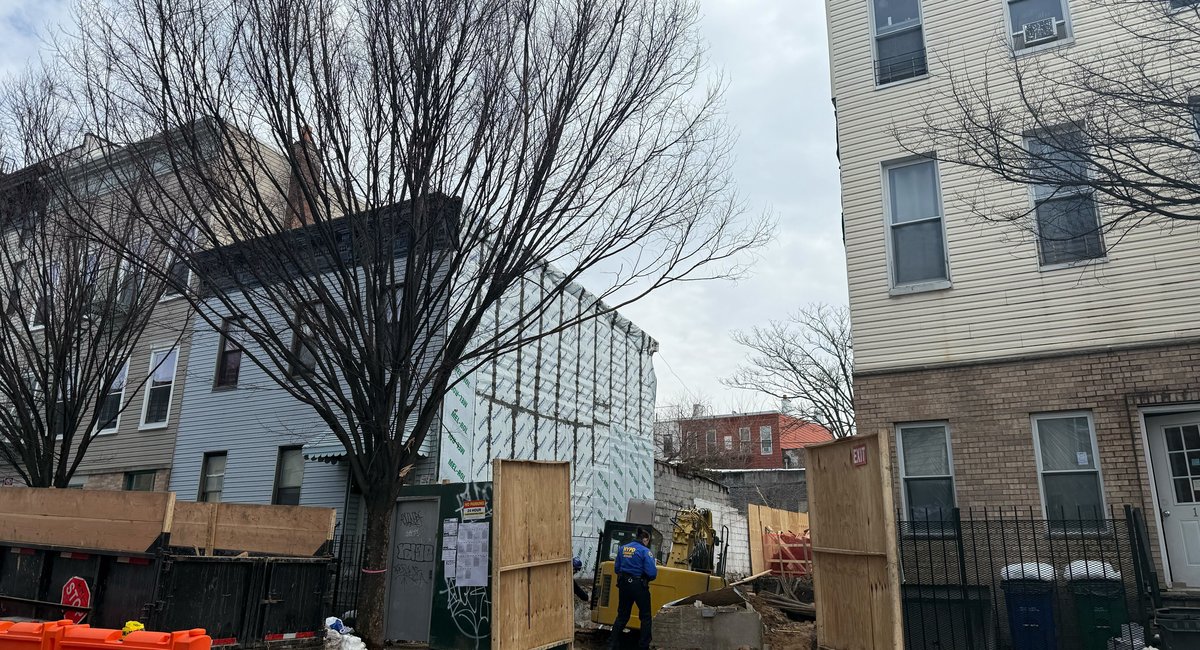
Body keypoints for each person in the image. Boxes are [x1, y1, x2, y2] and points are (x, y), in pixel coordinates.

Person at [609, 528, 657, 650]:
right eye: (648, 541)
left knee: (622, 616)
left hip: (624, 585)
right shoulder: (645, 551)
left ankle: (612, 645)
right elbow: (652, 573)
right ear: (645, 539)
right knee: (645, 616)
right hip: (638, 585)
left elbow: (617, 569)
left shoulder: (623, 548)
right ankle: (643, 646)